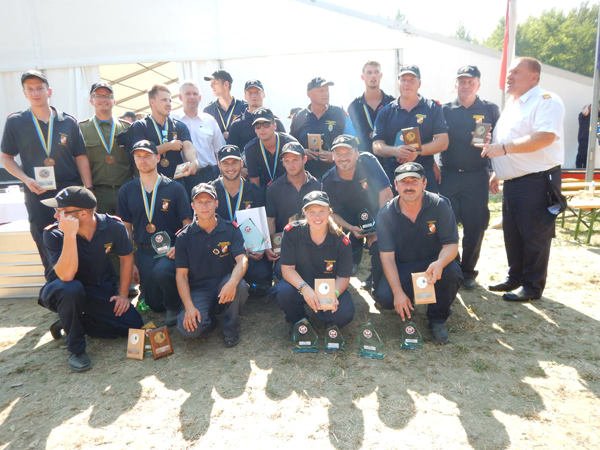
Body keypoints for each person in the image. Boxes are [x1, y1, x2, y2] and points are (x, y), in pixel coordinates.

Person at [478, 57, 565, 301]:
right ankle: (515, 277)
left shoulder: (546, 101)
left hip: (537, 181)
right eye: (509, 72)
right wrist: (499, 171)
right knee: (513, 233)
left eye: (516, 72)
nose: (509, 76)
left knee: (534, 235)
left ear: (533, 77)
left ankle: (532, 286)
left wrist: (503, 149)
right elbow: (509, 139)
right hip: (514, 182)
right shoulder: (513, 104)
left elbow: (545, 137)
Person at [38, 186, 143, 371]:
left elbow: (126, 258)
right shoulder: (53, 233)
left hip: (96, 287)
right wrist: (69, 234)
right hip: (61, 290)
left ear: (84, 213)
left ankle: (71, 321)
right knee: (72, 288)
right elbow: (67, 276)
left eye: (61, 211)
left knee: (133, 324)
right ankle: (76, 350)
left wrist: (123, 294)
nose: (55, 215)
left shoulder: (113, 226)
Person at [1, 70, 92, 274]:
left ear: (49, 91)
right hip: (37, 192)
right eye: (30, 89)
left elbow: (81, 157)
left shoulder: (68, 121)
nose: (35, 93)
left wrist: (89, 188)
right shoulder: (16, 122)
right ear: (24, 93)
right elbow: (6, 157)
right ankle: (55, 285)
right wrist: (25, 179)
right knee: (44, 238)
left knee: (77, 236)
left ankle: (82, 284)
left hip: (69, 191)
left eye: (40, 88)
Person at [376, 163, 462, 344]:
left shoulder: (439, 205)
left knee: (452, 272)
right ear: (396, 185)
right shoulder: (386, 214)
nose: (409, 186)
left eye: (414, 181)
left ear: (424, 183)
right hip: (403, 265)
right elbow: (387, 257)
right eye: (403, 182)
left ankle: (437, 318)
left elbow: (451, 245)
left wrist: (440, 263)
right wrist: (398, 292)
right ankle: (408, 299)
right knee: (386, 298)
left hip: (433, 263)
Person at [117, 140, 192, 326]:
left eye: (148, 156)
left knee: (162, 271)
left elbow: (187, 223)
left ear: (158, 158)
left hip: (170, 250)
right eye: (138, 156)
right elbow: (126, 228)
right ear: (134, 160)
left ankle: (174, 305)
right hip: (144, 252)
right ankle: (163, 299)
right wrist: (131, 262)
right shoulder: (126, 191)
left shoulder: (175, 188)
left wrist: (179, 246)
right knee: (155, 305)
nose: (143, 160)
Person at [440, 66, 500, 289]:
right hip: (449, 175)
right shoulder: (444, 110)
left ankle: (468, 272)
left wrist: (496, 172)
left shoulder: (490, 109)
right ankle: (453, 267)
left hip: (477, 176)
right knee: (448, 224)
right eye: (462, 82)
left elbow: (500, 142)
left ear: (478, 84)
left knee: (476, 225)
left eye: (470, 82)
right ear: (456, 85)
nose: (466, 86)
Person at [267, 191, 355, 333]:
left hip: (328, 286)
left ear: (329, 212)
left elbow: (343, 277)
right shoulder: (291, 232)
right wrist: (305, 288)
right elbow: (287, 269)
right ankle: (298, 320)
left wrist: (334, 294)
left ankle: (326, 319)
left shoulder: (342, 241)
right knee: (284, 292)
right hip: (300, 283)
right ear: (304, 213)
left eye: (322, 211)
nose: (317, 217)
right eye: (312, 212)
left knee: (343, 315)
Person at [175, 183, 249, 347]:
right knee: (190, 330)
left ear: (216, 203)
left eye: (208, 201)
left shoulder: (231, 229)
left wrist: (232, 282)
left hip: (224, 282)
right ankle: (210, 319)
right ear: (193, 206)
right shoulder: (183, 237)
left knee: (240, 286)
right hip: (199, 289)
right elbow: (181, 276)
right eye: (199, 202)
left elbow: (242, 260)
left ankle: (231, 328)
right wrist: (189, 306)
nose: (204, 206)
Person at [322, 135, 393, 296]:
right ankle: (335, 279)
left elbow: (386, 194)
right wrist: (350, 228)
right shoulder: (328, 179)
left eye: (347, 153)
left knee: (381, 242)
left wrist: (380, 229)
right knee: (327, 231)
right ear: (333, 156)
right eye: (338, 153)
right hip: (348, 214)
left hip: (374, 210)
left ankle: (377, 281)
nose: (343, 158)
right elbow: (330, 213)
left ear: (356, 154)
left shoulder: (368, 161)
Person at [373, 64, 448, 193]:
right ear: (398, 84)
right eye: (403, 80)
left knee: (428, 207)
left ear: (419, 83)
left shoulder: (432, 108)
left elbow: (443, 141)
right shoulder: (385, 111)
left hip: (424, 173)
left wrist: (417, 152)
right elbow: (376, 145)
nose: (407, 84)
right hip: (394, 174)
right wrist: (396, 151)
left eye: (412, 80)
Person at [209, 145, 273, 296]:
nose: (230, 168)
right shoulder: (210, 192)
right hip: (219, 251)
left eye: (234, 163)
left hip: (247, 251)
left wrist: (260, 248)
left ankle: (247, 284)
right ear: (219, 165)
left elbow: (262, 226)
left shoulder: (256, 192)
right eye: (226, 163)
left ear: (241, 164)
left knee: (262, 274)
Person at [265, 142, 321, 279]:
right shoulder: (274, 188)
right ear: (283, 163)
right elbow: (270, 220)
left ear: (304, 159)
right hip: (286, 245)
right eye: (287, 161)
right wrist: (271, 245)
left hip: (313, 242)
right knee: (280, 272)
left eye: (295, 160)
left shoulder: (318, 185)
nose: (291, 165)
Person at [79, 82, 135, 218]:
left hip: (125, 190)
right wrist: (88, 192)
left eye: (107, 96)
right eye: (98, 96)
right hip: (98, 193)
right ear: (91, 101)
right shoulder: (81, 129)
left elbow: (135, 161)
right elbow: (78, 161)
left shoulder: (127, 128)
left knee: (127, 228)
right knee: (101, 229)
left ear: (114, 101)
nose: (103, 99)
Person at [131, 84, 199, 183]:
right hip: (151, 183)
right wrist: (168, 146)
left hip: (176, 182)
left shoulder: (179, 125)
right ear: (152, 102)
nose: (168, 104)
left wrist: (194, 161)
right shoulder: (141, 125)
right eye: (164, 100)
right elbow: (142, 154)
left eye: (169, 100)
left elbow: (188, 147)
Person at [172, 80, 225, 194]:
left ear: (200, 97)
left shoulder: (209, 120)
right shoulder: (171, 119)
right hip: (183, 176)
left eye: (195, 94)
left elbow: (219, 150)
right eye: (188, 94)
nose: (192, 97)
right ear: (180, 97)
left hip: (209, 175)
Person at [290, 77, 346, 179]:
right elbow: (291, 145)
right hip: (307, 179)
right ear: (309, 94)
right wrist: (302, 152)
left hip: (335, 177)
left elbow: (353, 143)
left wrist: (335, 155)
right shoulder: (299, 116)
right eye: (321, 91)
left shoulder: (339, 113)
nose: (326, 94)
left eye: (327, 90)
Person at [348, 61, 395, 154]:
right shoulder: (354, 107)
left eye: (376, 72)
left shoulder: (393, 104)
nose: (373, 76)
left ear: (381, 75)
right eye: (369, 73)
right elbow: (350, 137)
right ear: (363, 77)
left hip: (390, 159)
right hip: (364, 160)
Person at [244, 108, 298, 189]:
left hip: (289, 189)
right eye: (258, 126)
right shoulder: (250, 149)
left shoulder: (290, 144)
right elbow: (255, 185)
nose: (262, 129)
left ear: (275, 126)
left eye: (266, 124)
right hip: (263, 191)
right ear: (255, 129)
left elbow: (298, 176)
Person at [227, 79, 286, 151]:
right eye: (250, 93)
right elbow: (232, 153)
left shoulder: (275, 122)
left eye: (257, 92)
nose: (254, 96)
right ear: (245, 96)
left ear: (263, 94)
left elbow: (286, 148)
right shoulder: (237, 124)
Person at [203, 70, 247, 139]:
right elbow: (205, 136)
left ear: (226, 84)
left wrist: (233, 135)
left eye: (215, 83)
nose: (211, 86)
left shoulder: (244, 107)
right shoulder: (208, 110)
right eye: (211, 83)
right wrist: (220, 137)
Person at [576, 104, 594, 169]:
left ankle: (586, 168)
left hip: (591, 138)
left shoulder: (593, 117)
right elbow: (585, 113)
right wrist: (587, 107)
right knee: (581, 153)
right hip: (583, 137)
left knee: (588, 155)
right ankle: (578, 168)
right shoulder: (582, 115)